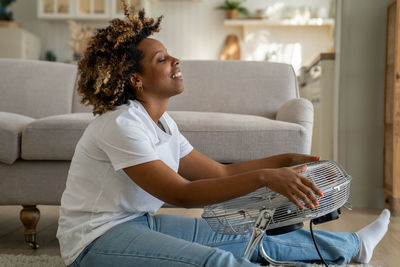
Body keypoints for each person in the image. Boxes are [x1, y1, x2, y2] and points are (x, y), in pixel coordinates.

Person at [57, 4, 390, 267]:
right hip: (94, 240)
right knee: (219, 261)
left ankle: (355, 246)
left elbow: (221, 172)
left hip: (138, 223)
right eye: (162, 59)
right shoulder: (121, 125)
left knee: (249, 240)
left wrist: (284, 161)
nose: (175, 60)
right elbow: (182, 194)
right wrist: (265, 178)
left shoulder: (162, 123)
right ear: (136, 80)